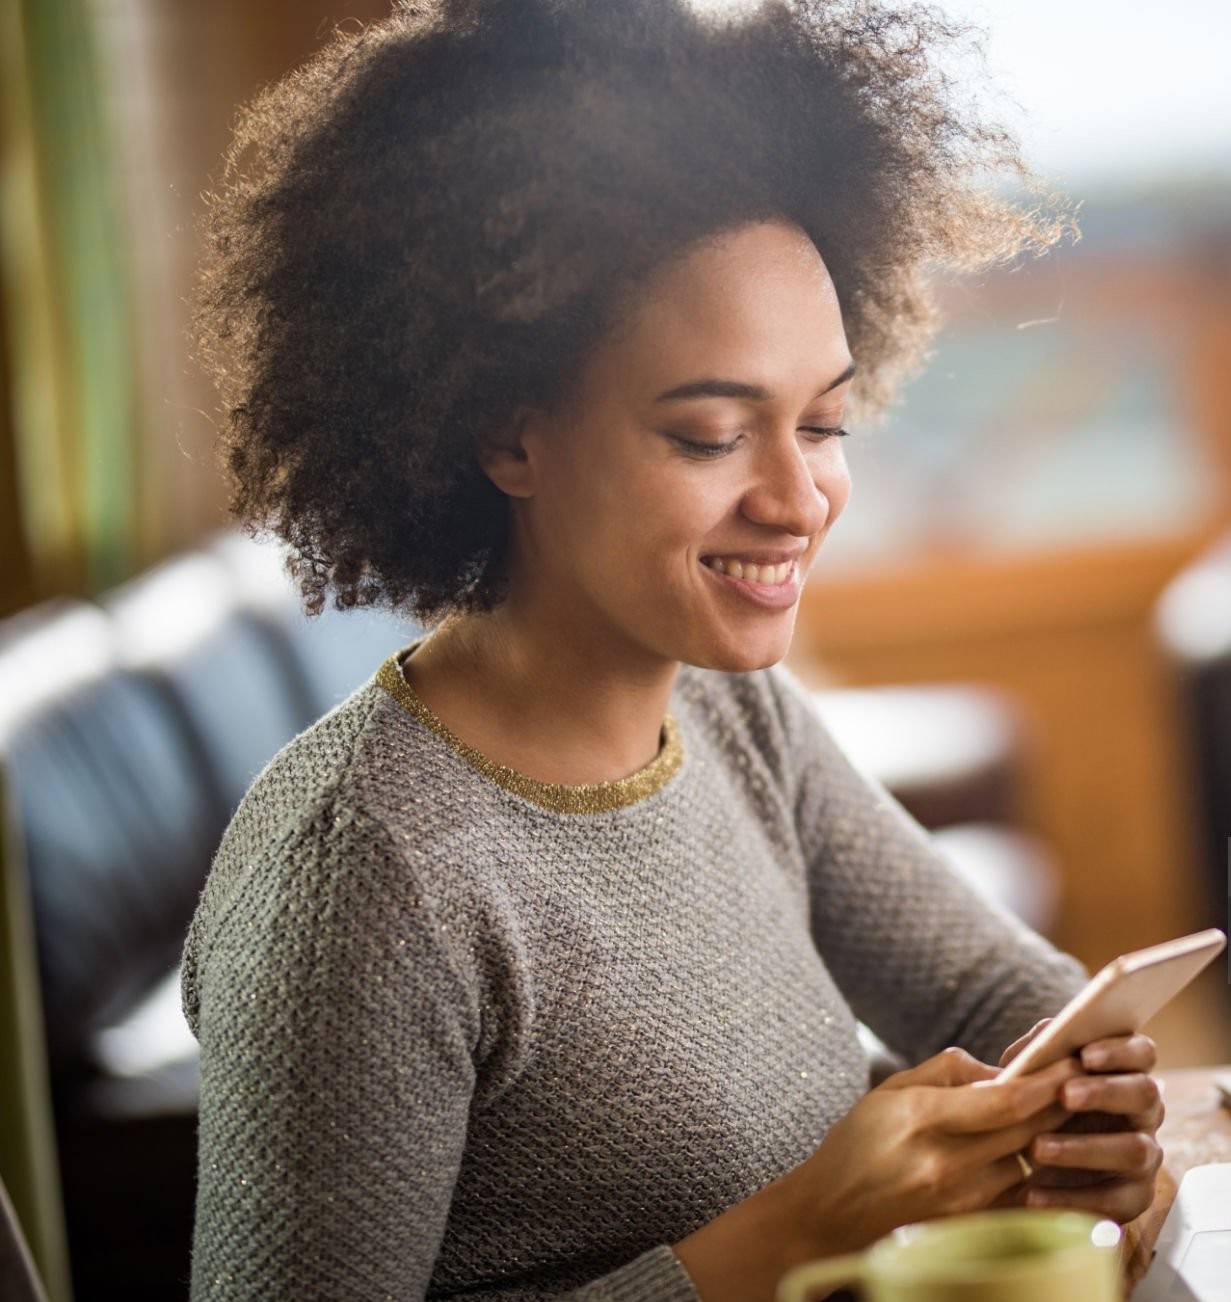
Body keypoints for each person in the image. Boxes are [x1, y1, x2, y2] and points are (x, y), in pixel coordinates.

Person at [182, 1, 1164, 1298]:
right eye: (710, 433)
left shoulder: (728, 712)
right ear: (506, 434)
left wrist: (1091, 1099)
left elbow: (990, 987)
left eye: (823, 424)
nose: (798, 496)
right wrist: (797, 1232)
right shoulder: (366, 875)